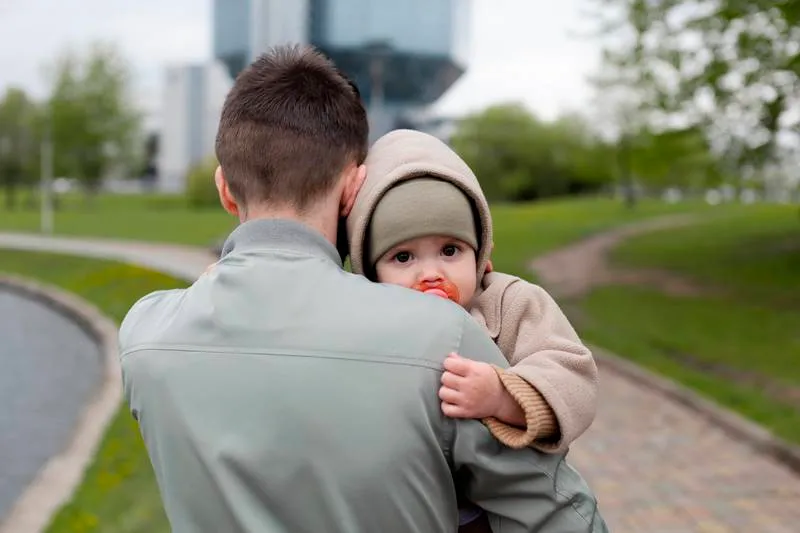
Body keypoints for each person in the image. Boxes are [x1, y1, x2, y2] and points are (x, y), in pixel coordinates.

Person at [119, 44, 607, 533]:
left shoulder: (144, 336)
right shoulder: (442, 338)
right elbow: (555, 514)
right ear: (354, 188)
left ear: (225, 188)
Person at [346, 128, 600, 531]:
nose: (430, 273)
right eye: (403, 256)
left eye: (450, 250)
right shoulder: (364, 322)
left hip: (499, 516)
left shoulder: (511, 303)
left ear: (482, 255)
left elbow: (573, 375)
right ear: (370, 270)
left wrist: (504, 396)